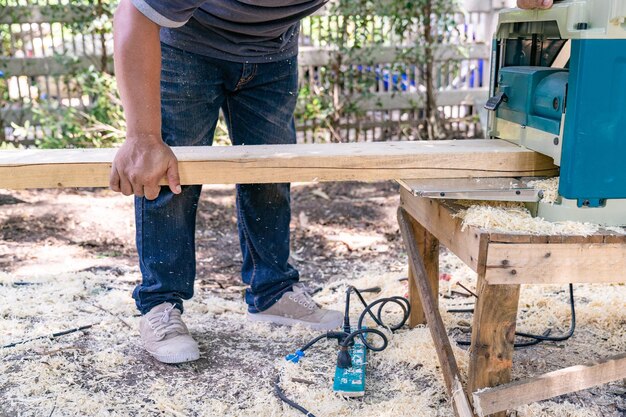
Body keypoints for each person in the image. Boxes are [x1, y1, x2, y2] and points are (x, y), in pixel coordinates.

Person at [110, 0, 553, 364]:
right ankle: (160, 304)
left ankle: (273, 291)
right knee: (165, 178)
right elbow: (135, 11)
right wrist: (144, 137)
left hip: (271, 53)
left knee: (271, 173)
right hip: (184, 45)